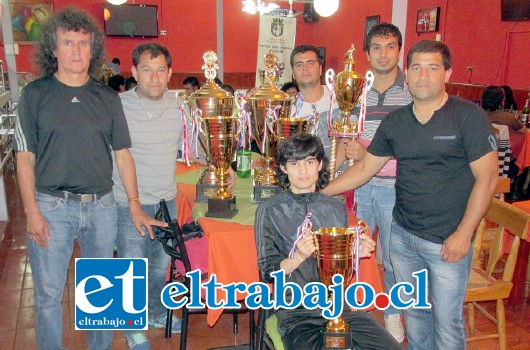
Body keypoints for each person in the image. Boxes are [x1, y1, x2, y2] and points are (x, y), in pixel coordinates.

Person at [323, 40, 499, 349]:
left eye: (433, 68)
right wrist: (318, 190)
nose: (423, 76)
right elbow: (364, 169)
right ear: (408, 72)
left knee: (447, 322)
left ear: (447, 73)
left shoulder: (468, 117)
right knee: (415, 314)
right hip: (402, 237)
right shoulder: (397, 121)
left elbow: (487, 179)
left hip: (447, 240)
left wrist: (464, 233)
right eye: (416, 67)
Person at [13, 7, 163, 350]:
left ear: (92, 47)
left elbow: (123, 155)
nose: (77, 51)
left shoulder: (107, 98)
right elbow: (25, 158)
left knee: (103, 294)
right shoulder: (35, 96)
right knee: (49, 295)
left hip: (102, 208)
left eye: (83, 43)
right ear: (54, 48)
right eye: (68, 43)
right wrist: (32, 213)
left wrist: (135, 206)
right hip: (52, 206)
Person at [114, 43, 235, 349]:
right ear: (134, 72)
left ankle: (155, 312)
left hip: (166, 200)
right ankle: (131, 327)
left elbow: (197, 143)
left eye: (160, 70)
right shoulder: (117, 106)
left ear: (169, 73)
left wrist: (223, 164)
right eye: (146, 70)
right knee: (130, 265)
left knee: (158, 266)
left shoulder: (182, 106)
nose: (154, 77)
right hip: (128, 201)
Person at [255, 133, 402, 350]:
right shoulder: (269, 211)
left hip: (338, 306)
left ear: (320, 164)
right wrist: (297, 258)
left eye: (310, 162)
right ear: (284, 168)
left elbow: (338, 267)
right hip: (297, 311)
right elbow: (267, 272)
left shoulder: (335, 208)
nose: (303, 171)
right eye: (294, 163)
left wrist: (354, 251)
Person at [334, 23, 412, 343]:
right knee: (354, 255)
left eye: (390, 46)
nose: (383, 54)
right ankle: (359, 313)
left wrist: (367, 149)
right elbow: (342, 138)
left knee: (394, 257)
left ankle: (393, 313)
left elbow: (413, 143)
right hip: (358, 188)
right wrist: (327, 175)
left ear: (399, 50)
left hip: (396, 188)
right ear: (367, 54)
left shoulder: (412, 92)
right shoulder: (354, 90)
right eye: (376, 48)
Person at [289, 45, 338, 156]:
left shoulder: (338, 98)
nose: (305, 68)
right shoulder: (287, 109)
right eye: (299, 65)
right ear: (293, 74)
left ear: (320, 69)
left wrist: (327, 170)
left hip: (341, 171)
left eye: (310, 63)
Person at [482, 85, 526, 158]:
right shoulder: (508, 117)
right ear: (501, 101)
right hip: (503, 157)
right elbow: (523, 130)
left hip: (480, 154)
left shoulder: (476, 116)